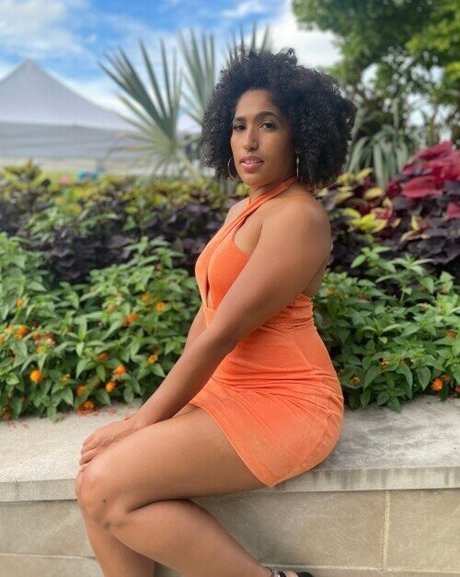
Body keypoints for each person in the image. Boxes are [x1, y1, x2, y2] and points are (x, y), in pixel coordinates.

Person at [76, 48, 356, 577]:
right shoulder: (244, 209)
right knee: (95, 478)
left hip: (286, 401)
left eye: (268, 125)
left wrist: (142, 421)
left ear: (300, 135)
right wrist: (169, 409)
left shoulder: (297, 217)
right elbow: (208, 314)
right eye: (238, 125)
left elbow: (224, 332)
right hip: (228, 390)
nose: (248, 141)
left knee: (105, 485)